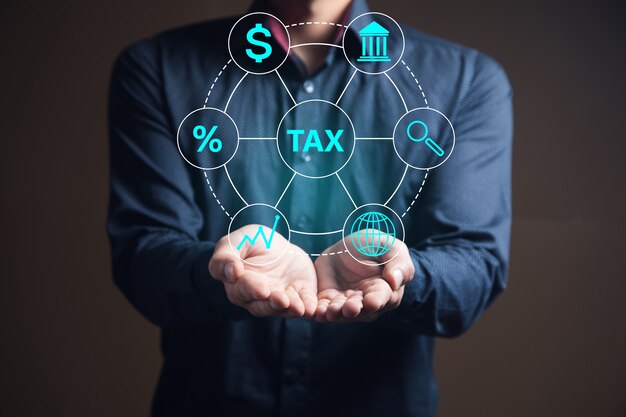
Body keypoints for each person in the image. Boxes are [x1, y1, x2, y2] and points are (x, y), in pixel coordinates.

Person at [107, 0, 513, 415]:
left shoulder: (464, 80)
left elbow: (475, 265)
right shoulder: (158, 69)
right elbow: (142, 256)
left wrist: (400, 275)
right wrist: (225, 271)